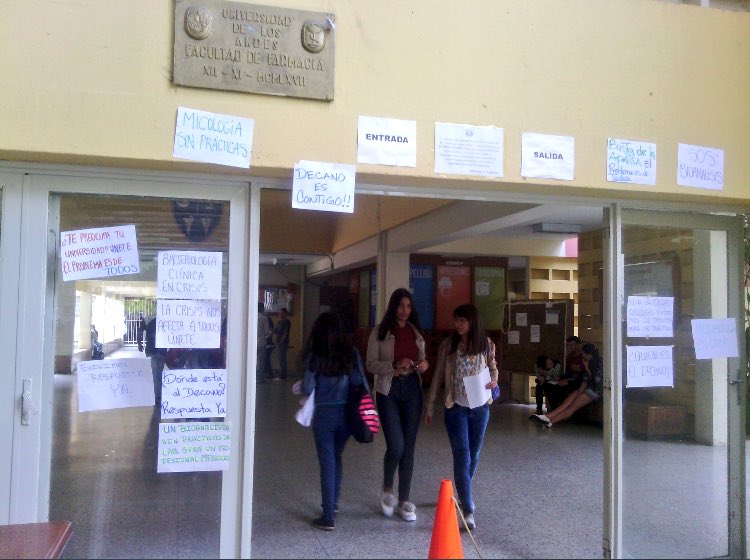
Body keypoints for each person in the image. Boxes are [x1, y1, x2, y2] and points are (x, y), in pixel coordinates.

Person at [424, 303, 499, 531]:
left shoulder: (486, 345)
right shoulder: (449, 345)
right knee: (462, 455)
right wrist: (430, 406)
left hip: (480, 408)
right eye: (456, 320)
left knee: (473, 454)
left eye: (462, 321)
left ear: (472, 322)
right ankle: (467, 508)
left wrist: (495, 380)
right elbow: (437, 376)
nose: (457, 325)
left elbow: (494, 368)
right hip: (455, 408)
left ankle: (463, 488)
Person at [366, 288, 429, 522]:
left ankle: (404, 500)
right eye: (401, 306)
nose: (405, 310)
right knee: (396, 445)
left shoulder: (415, 332)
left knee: (409, 446)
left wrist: (423, 365)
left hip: (412, 389)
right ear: (394, 307)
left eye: (409, 306)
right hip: (388, 391)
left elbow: (423, 358)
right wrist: (393, 365)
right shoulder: (380, 332)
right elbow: (371, 364)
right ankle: (387, 489)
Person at [301, 311, 367, 531]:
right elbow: (360, 384)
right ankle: (334, 503)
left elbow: (308, 387)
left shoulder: (315, 355)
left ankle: (328, 515)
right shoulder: (351, 353)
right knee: (336, 456)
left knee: (327, 462)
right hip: (347, 416)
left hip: (324, 417)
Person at [532, 342, 603, 428]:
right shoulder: (587, 361)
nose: (582, 355)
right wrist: (579, 392)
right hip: (587, 387)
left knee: (572, 407)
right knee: (567, 402)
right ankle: (547, 417)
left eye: (583, 354)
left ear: (589, 354)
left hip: (596, 390)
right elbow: (585, 379)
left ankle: (551, 421)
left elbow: (597, 381)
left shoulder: (600, 363)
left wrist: (587, 367)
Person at [138, 316, 167, 407]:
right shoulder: (165, 318)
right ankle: (159, 395)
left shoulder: (148, 319)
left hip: (151, 350)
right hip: (162, 350)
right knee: (159, 373)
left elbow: (140, 331)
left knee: (154, 374)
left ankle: (157, 396)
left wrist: (140, 344)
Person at [273, 307, 291, 380]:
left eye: (282, 313)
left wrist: (281, 342)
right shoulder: (279, 321)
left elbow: (285, 333)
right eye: (279, 313)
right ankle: (282, 375)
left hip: (283, 343)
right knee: (280, 359)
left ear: (285, 314)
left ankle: (283, 376)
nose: (280, 314)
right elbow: (275, 331)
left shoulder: (287, 322)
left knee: (282, 359)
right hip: (278, 342)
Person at [257, 303, 273, 383]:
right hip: (261, 342)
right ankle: (260, 379)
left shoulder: (251, 316)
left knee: (252, 361)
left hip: (252, 344)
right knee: (261, 362)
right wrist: (269, 334)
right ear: (262, 309)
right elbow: (267, 331)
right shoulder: (264, 318)